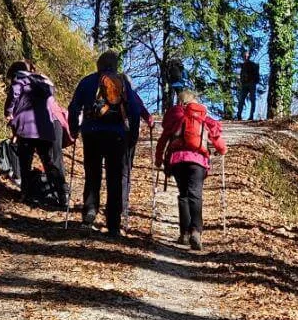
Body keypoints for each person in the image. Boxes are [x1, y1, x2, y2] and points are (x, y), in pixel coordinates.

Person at [68, 49, 142, 237]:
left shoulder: (87, 81)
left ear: (98, 65)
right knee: (115, 178)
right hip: (116, 136)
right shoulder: (122, 82)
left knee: (92, 173)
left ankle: (90, 212)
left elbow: (74, 106)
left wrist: (74, 129)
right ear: (115, 66)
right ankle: (114, 224)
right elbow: (134, 109)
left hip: (92, 133)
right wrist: (133, 135)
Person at [155, 88, 228, 251]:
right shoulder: (204, 118)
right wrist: (223, 150)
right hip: (198, 162)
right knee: (195, 194)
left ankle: (185, 234)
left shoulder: (177, 118)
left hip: (178, 160)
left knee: (183, 194)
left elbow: (163, 139)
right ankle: (196, 231)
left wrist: (159, 159)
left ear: (182, 103)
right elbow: (218, 141)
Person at [4, 61, 71, 208]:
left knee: (25, 161)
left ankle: (26, 193)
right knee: (50, 161)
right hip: (45, 126)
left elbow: (14, 95)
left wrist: (8, 112)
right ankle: (63, 193)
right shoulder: (43, 81)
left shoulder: (19, 79)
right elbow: (51, 99)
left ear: (14, 73)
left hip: (26, 127)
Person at [122, 90, 154, 229]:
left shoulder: (107, 92)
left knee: (115, 170)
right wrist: (150, 122)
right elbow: (145, 114)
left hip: (111, 135)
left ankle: (114, 205)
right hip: (129, 137)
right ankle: (123, 205)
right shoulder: (133, 95)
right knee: (126, 170)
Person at [237, 50, 261, 121]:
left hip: (251, 84)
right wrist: (241, 81)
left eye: (247, 56)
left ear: (249, 56)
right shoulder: (243, 65)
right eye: (244, 56)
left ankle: (251, 116)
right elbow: (241, 75)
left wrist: (254, 81)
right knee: (241, 100)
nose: (245, 57)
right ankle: (239, 115)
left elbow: (256, 74)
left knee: (252, 100)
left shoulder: (252, 64)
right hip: (244, 84)